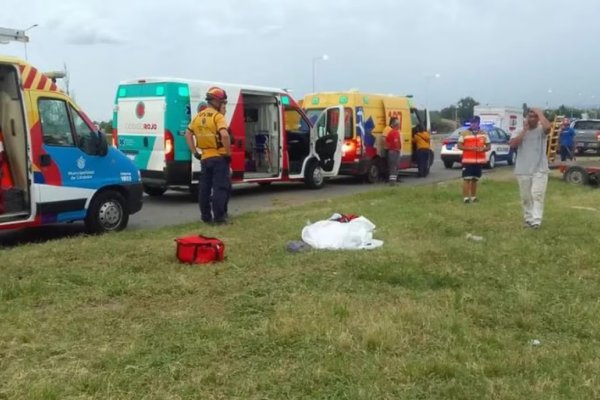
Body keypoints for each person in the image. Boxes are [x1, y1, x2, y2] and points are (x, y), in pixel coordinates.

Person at [185, 87, 232, 225]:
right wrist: (228, 153)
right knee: (220, 188)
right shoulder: (218, 117)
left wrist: (194, 152)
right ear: (216, 101)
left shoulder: (198, 117)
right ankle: (219, 218)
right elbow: (224, 135)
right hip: (219, 158)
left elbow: (187, 134)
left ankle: (206, 217)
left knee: (204, 190)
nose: (223, 104)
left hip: (205, 158)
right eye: (222, 102)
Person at [509, 108, 551, 229]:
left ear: (538, 119)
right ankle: (528, 219)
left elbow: (548, 127)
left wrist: (540, 113)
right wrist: (524, 130)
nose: (531, 119)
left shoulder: (541, 130)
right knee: (526, 197)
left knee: (537, 194)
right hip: (523, 169)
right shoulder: (519, 130)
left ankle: (536, 221)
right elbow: (513, 144)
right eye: (530, 116)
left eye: (534, 116)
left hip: (540, 169)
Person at [457, 116, 491, 203]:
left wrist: (483, 149)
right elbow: (459, 145)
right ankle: (465, 198)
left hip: (479, 160)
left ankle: (473, 197)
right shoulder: (465, 133)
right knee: (467, 179)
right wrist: (470, 148)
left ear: (478, 123)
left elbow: (488, 146)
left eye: (475, 123)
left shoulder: (484, 133)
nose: (473, 124)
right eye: (472, 123)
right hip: (468, 160)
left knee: (475, 179)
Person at [385, 118, 401, 185]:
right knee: (394, 166)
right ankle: (393, 182)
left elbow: (387, 141)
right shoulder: (395, 132)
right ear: (396, 125)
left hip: (391, 151)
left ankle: (392, 181)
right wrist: (398, 148)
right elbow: (396, 141)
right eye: (398, 125)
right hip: (394, 151)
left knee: (392, 166)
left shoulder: (390, 132)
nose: (399, 126)